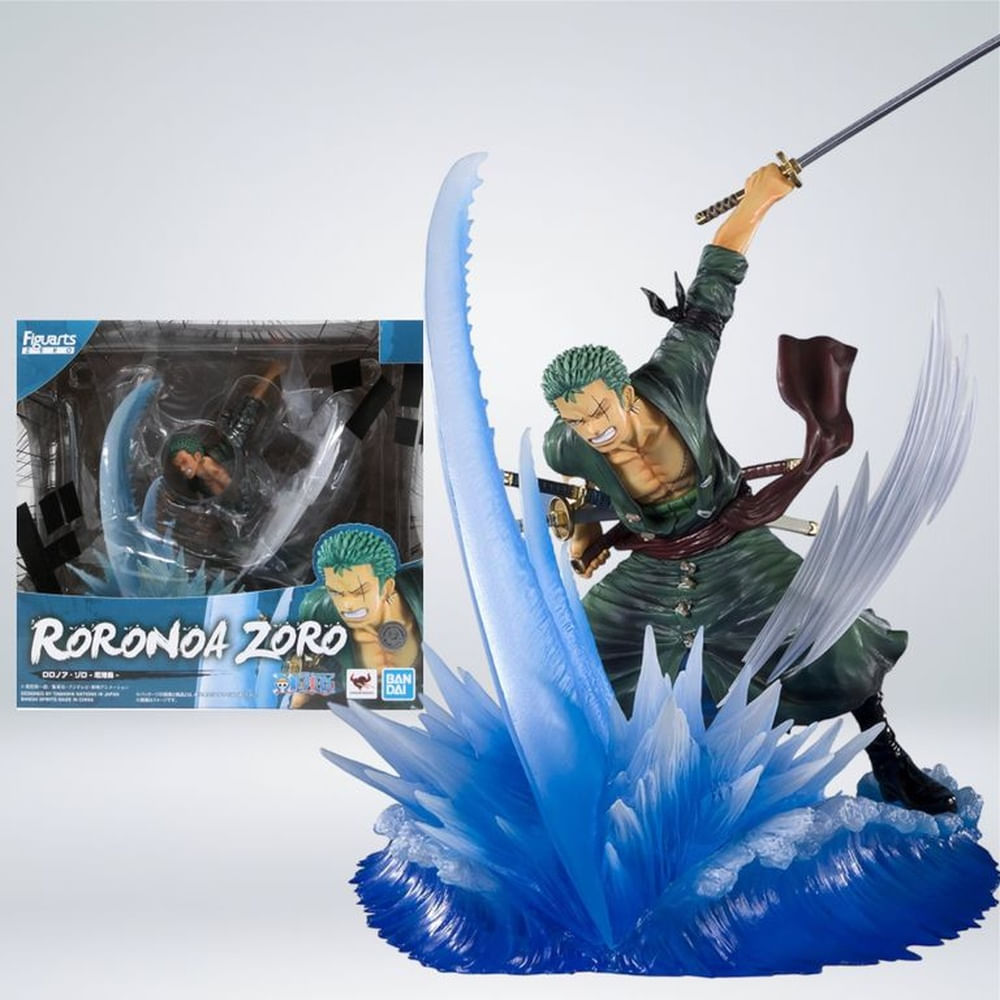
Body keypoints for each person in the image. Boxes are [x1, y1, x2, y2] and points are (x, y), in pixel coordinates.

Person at [541, 164, 955, 814]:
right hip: (654, 567)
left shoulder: (674, 376)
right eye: (575, 420)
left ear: (623, 389)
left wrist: (758, 201)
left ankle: (888, 759)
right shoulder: (565, 444)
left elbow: (714, 286)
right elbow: (577, 492)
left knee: (833, 641)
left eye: (598, 412)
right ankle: (618, 793)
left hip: (735, 546)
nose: (592, 430)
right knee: (571, 661)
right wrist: (583, 538)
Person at [294, 523, 423, 708]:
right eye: (336, 592)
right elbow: (304, 676)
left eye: (359, 592)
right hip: (356, 711)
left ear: (387, 587)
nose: (347, 604)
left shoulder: (422, 590)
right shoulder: (317, 610)